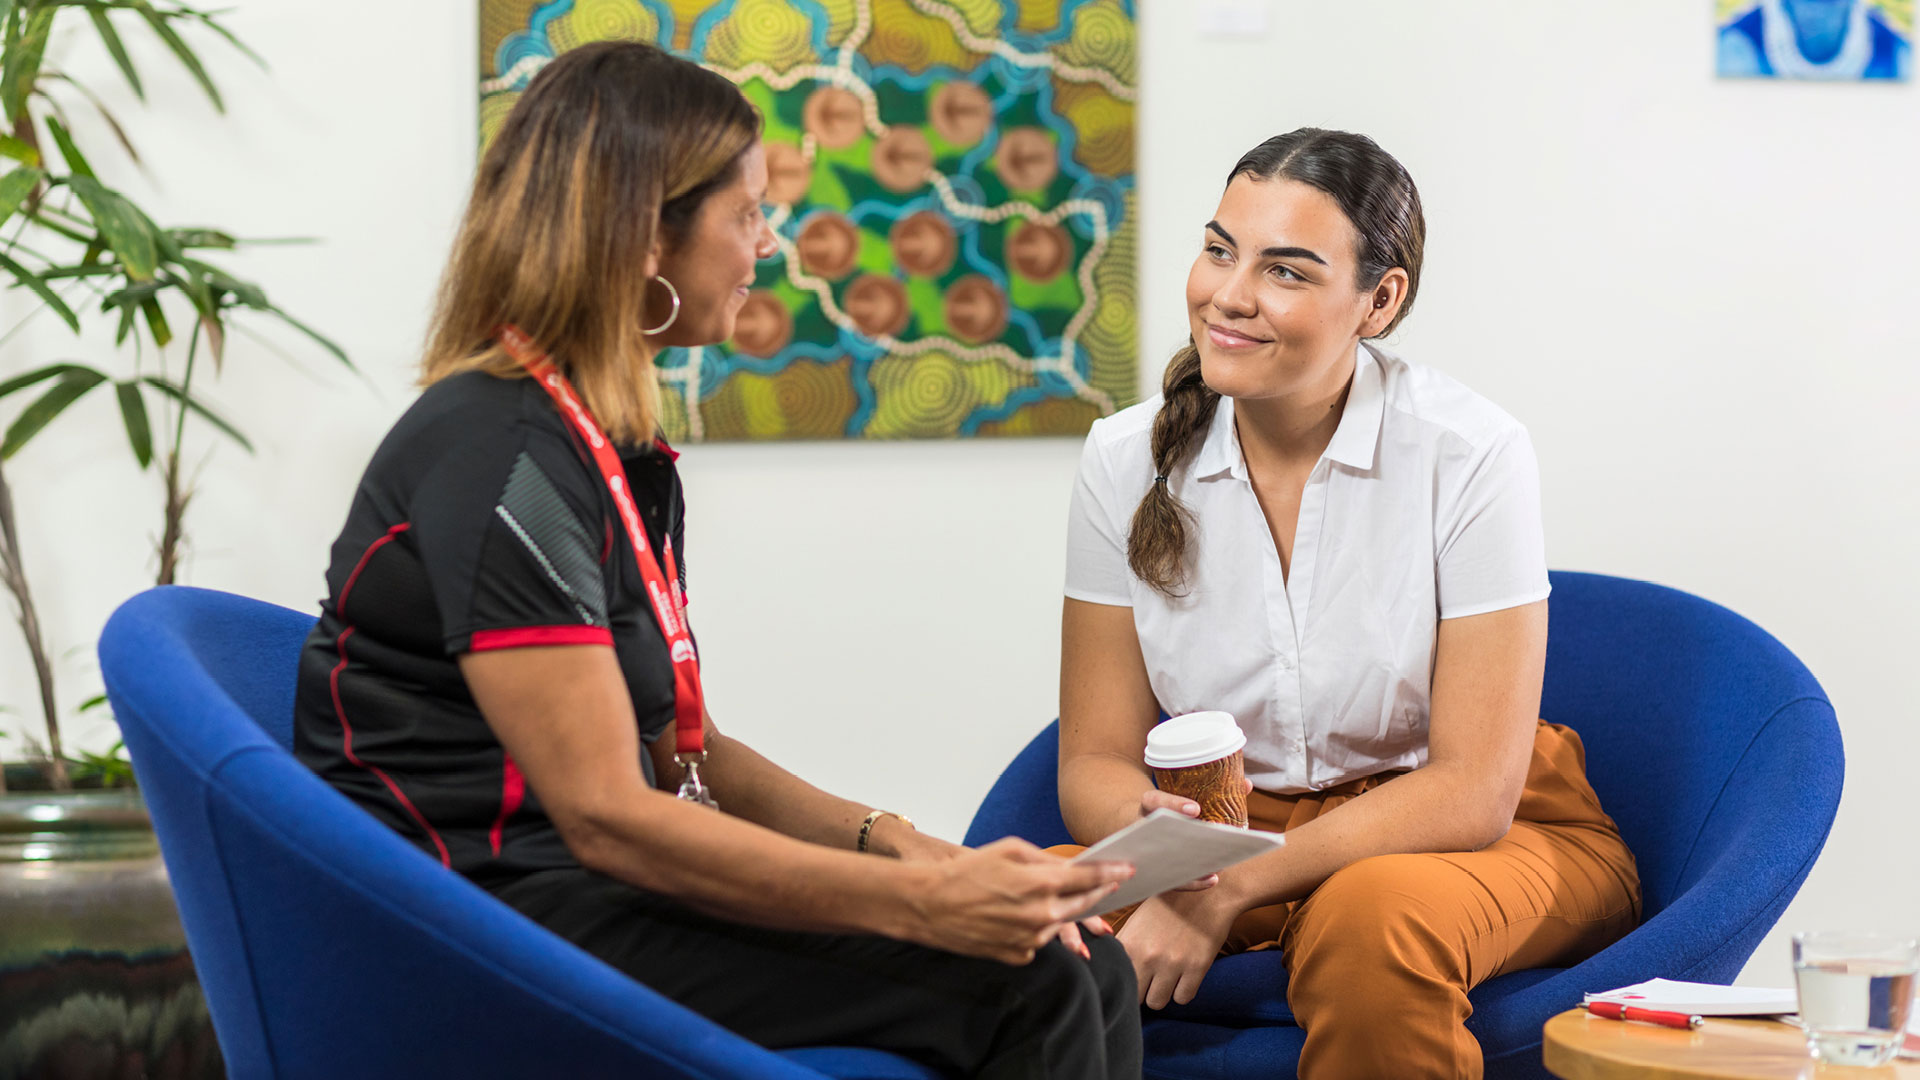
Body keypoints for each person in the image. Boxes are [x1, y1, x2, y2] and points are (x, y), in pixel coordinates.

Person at [292, 41, 1140, 1079]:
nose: (766, 246)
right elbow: (610, 815)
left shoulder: (597, 445)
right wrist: (929, 905)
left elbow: (684, 750)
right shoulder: (501, 455)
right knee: (1035, 980)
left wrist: (902, 843)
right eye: (746, 214)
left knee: (1083, 960)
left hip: (574, 888)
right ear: (649, 235)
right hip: (479, 920)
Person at [1052, 129, 1641, 1080]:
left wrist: (1225, 888)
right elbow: (1092, 759)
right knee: (1028, 921)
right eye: (1218, 250)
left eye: (1285, 270)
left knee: (1373, 922)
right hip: (1236, 829)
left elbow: (1474, 790)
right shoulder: (1122, 460)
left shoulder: (1470, 452)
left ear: (1380, 300)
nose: (1229, 295)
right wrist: (1181, 863)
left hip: (1485, 833)